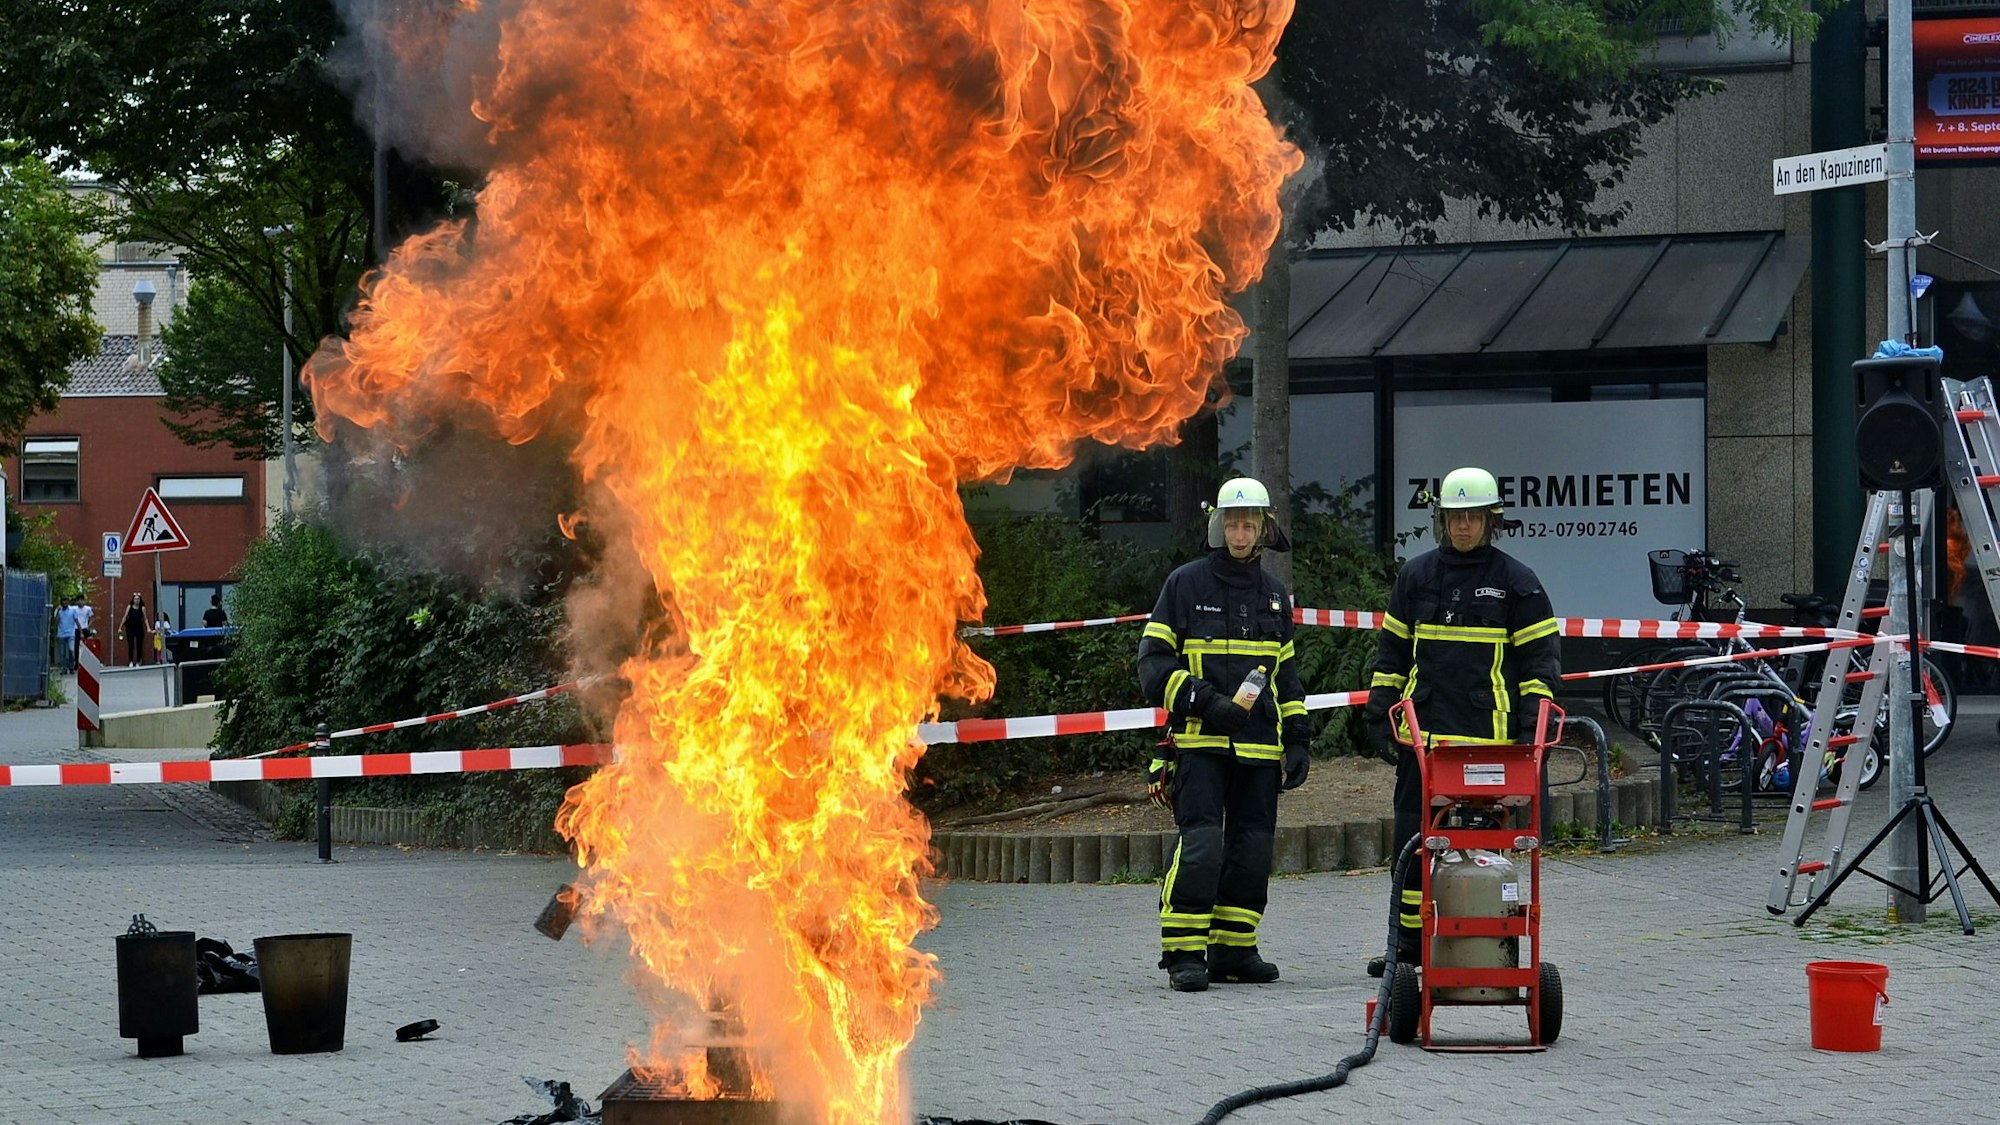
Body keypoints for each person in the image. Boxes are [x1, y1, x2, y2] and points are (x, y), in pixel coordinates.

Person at [1362, 466, 1561, 978]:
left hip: (1487, 746)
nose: (1463, 526)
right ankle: (1405, 949)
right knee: (1411, 845)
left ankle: (1475, 942)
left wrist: (1530, 736)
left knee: (1478, 852)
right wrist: (1379, 711)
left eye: (1473, 516)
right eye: (1455, 517)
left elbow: (1541, 664)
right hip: (1422, 742)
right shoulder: (1416, 576)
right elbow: (1392, 652)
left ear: (1490, 520)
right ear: (1440, 520)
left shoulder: (1517, 582)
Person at [1137, 477, 1313, 992]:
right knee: (1203, 846)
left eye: (1249, 523)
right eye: (1232, 522)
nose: (1240, 532)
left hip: (1260, 748)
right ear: (1219, 527)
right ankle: (1185, 953)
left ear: (1263, 529)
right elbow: (1152, 663)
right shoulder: (1185, 584)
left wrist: (1299, 737)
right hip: (1199, 744)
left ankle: (1234, 947)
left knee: (1252, 849)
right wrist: (1206, 702)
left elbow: (1287, 676)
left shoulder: (1275, 597)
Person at [120, 593, 148, 667]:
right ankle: (131, 661)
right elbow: (124, 617)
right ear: (133, 600)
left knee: (139, 645)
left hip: (139, 628)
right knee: (131, 644)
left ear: (140, 600)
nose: (137, 600)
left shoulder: (142, 608)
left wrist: (148, 627)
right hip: (130, 628)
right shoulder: (129, 607)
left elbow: (145, 619)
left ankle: (138, 661)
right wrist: (120, 627)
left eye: (138, 599)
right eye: (135, 599)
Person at [55, 598, 78, 674]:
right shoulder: (59, 611)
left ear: (68, 602)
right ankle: (64, 668)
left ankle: (71, 666)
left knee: (70, 650)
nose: (64, 602)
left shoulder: (72, 610)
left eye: (66, 601)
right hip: (61, 634)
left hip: (70, 634)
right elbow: (56, 622)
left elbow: (76, 621)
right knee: (62, 653)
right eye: (63, 601)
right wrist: (58, 612)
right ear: (61, 602)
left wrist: (81, 632)